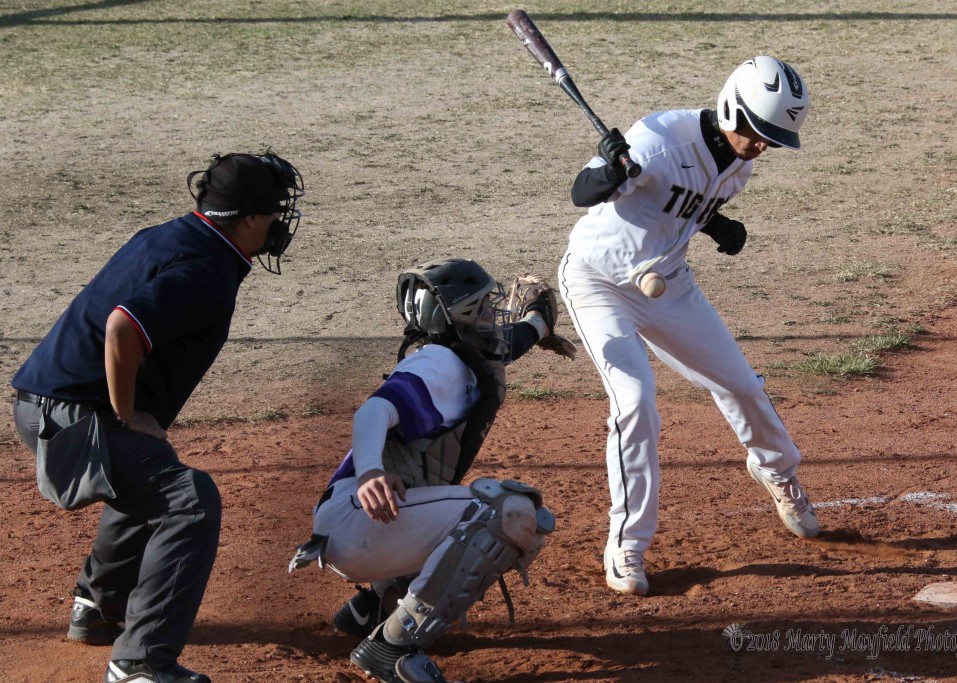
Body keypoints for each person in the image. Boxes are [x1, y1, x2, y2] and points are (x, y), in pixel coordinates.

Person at [11, 151, 305, 683]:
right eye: (275, 213)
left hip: (48, 402)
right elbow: (123, 325)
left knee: (151, 470)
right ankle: (141, 663)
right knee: (189, 500)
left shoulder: (174, 235)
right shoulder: (209, 269)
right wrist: (125, 415)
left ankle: (99, 606)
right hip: (72, 416)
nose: (280, 224)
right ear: (251, 218)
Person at [557, 56, 820, 597]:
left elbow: (683, 203)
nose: (764, 144)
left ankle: (777, 472)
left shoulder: (741, 163)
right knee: (635, 402)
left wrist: (718, 225)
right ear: (731, 107)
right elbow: (582, 193)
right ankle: (626, 547)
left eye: (775, 136)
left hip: (669, 286)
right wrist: (609, 170)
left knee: (742, 386)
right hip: (598, 284)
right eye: (760, 130)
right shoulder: (656, 139)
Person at [288, 258, 567, 683]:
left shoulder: (463, 353)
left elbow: (508, 343)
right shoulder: (436, 363)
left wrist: (538, 325)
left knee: (510, 517)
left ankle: (375, 611)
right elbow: (373, 411)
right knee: (506, 513)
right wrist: (369, 472)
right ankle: (392, 648)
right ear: (464, 317)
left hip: (371, 524)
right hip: (359, 517)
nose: (496, 314)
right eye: (486, 306)